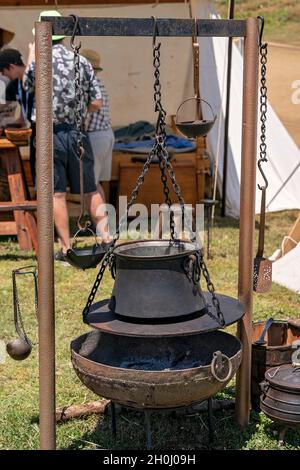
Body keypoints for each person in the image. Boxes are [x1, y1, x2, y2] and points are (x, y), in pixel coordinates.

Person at [23, 10, 111, 259]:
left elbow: (27, 86)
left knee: (56, 192)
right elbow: (97, 102)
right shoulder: (82, 61)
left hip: (49, 134)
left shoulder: (40, 61)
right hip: (77, 132)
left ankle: (66, 246)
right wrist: (77, 106)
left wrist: (31, 55)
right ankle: (106, 238)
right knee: (91, 189)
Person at [81, 49, 114, 203]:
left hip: (95, 137)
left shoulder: (86, 84)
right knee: (96, 184)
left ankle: (100, 225)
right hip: (106, 135)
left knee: (90, 187)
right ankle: (102, 223)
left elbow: (92, 108)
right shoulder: (98, 83)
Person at [0, 48, 36, 183]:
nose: (4, 75)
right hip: (33, 129)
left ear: (12, 67)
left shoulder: (33, 79)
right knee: (34, 164)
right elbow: (2, 104)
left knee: (41, 165)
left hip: (45, 128)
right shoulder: (15, 84)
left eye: (4, 71)